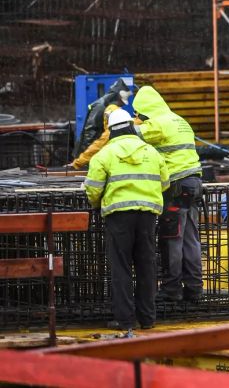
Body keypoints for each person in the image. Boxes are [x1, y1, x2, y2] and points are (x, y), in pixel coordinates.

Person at [82, 109, 169, 335]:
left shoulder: (104, 155)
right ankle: (148, 318)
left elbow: (92, 189)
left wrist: (97, 203)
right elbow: (165, 183)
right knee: (146, 266)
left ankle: (125, 320)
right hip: (148, 216)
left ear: (111, 130)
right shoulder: (152, 152)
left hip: (118, 216)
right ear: (132, 126)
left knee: (121, 268)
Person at [132, 85, 204, 304]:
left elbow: (127, 138)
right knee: (190, 238)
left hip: (176, 186)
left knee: (171, 238)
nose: (138, 117)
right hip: (194, 182)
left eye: (138, 114)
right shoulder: (179, 120)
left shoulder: (156, 124)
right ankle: (194, 289)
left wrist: (129, 123)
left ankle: (171, 289)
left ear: (143, 110)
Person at [71, 78, 134, 169]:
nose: (122, 105)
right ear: (118, 98)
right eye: (122, 102)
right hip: (93, 153)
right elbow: (90, 134)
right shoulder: (103, 108)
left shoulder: (106, 106)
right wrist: (82, 160)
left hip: (95, 152)